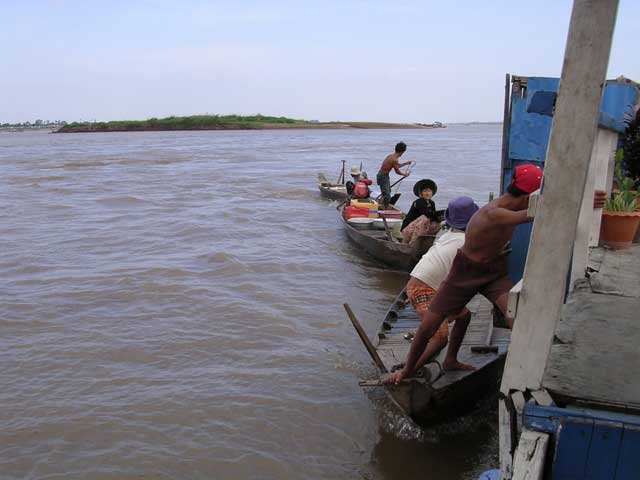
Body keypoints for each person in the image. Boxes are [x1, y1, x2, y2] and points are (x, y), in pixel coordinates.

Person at [386, 164, 544, 384]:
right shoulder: (493, 213)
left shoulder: (507, 209)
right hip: (464, 273)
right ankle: (407, 371)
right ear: (529, 196)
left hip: (494, 271)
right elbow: (531, 215)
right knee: (428, 328)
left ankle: (522, 368)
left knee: (514, 314)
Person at [384, 196, 480, 381]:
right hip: (423, 289)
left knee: (464, 316)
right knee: (439, 338)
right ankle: (406, 374)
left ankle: (450, 360)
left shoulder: (446, 236)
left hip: (426, 284)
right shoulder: (467, 242)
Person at [401, 179, 441, 243]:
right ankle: (413, 243)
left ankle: (427, 241)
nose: (427, 193)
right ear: (421, 193)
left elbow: (434, 216)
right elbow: (428, 214)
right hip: (409, 228)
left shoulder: (432, 203)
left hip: (421, 228)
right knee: (425, 218)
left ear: (432, 192)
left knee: (437, 223)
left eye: (429, 191)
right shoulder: (419, 202)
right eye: (425, 191)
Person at [377, 142, 412, 209]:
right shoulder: (394, 159)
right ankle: (385, 209)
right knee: (387, 195)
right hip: (383, 177)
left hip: (383, 175)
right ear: (402, 152)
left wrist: (406, 163)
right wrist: (404, 174)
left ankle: (383, 205)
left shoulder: (391, 156)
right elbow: (397, 171)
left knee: (387, 192)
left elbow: (397, 166)